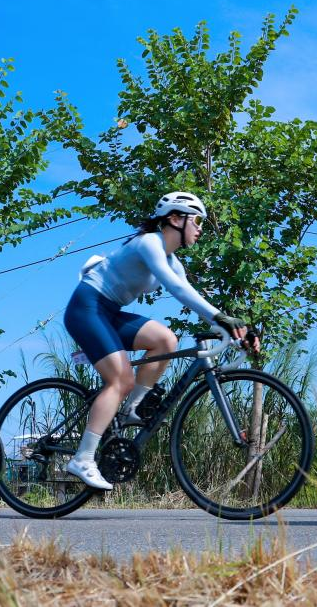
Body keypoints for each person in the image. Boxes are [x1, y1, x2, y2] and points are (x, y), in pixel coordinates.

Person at [62, 191, 250, 491]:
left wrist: (237, 331)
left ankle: (131, 409)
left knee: (166, 339)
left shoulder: (172, 260)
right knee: (119, 380)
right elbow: (176, 288)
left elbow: (190, 293)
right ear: (175, 218)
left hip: (108, 312)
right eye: (196, 220)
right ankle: (83, 458)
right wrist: (221, 319)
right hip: (86, 308)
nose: (200, 228)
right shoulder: (149, 242)